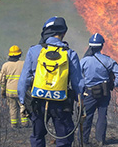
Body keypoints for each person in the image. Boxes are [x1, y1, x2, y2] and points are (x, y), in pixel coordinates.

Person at [17, 16, 84, 147]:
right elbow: (78, 83)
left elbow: (24, 79)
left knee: (37, 136)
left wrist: (22, 101)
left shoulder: (34, 50)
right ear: (63, 33)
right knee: (64, 138)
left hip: (38, 102)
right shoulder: (70, 54)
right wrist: (80, 102)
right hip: (61, 103)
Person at [80, 33, 118, 147]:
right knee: (102, 116)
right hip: (104, 92)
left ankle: (84, 141)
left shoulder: (84, 61)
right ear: (101, 46)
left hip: (89, 92)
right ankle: (100, 141)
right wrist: (114, 85)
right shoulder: (108, 60)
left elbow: (78, 77)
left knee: (87, 116)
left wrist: (80, 91)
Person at [0, 45, 28, 128]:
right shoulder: (23, 64)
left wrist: (3, 90)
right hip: (21, 91)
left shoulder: (6, 65)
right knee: (23, 106)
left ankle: (14, 124)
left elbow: (1, 80)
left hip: (10, 92)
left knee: (12, 108)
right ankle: (25, 123)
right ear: (19, 55)